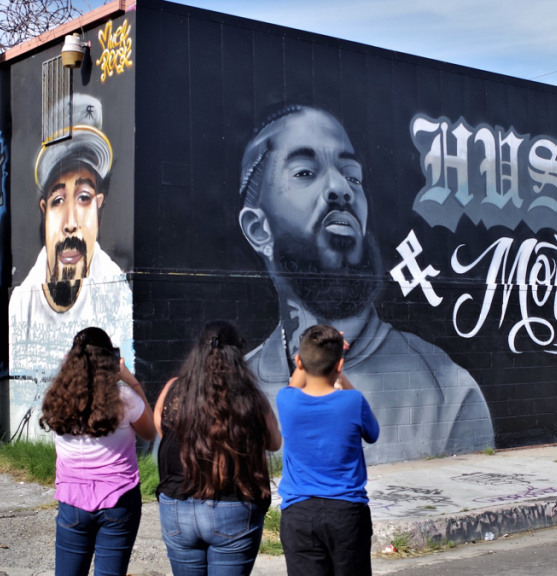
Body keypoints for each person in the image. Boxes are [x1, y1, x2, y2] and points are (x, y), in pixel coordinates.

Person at [236, 104, 493, 463]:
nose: (341, 188)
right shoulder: (228, 390)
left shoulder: (448, 392)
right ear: (258, 229)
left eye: (352, 176)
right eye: (306, 171)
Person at [9, 93, 134, 437]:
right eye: (58, 200)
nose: (69, 223)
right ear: (43, 211)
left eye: (83, 198)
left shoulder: (117, 292)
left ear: (100, 206)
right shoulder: (21, 303)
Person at [152, 321, 282, 576]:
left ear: (198, 351)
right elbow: (274, 442)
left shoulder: (173, 389)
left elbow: (162, 429)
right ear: (237, 354)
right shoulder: (250, 397)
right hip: (233, 508)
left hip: (177, 506)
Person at [39, 326, 157, 576]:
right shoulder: (124, 397)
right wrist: (131, 380)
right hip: (119, 499)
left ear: (71, 360)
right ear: (109, 360)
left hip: (72, 501)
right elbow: (149, 432)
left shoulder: (58, 399)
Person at [277, 325, 379, 576]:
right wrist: (337, 370)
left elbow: (297, 379)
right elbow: (373, 434)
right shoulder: (353, 401)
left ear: (299, 361)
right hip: (347, 514)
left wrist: (315, 346)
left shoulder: (286, 400)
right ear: (340, 365)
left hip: (299, 515)